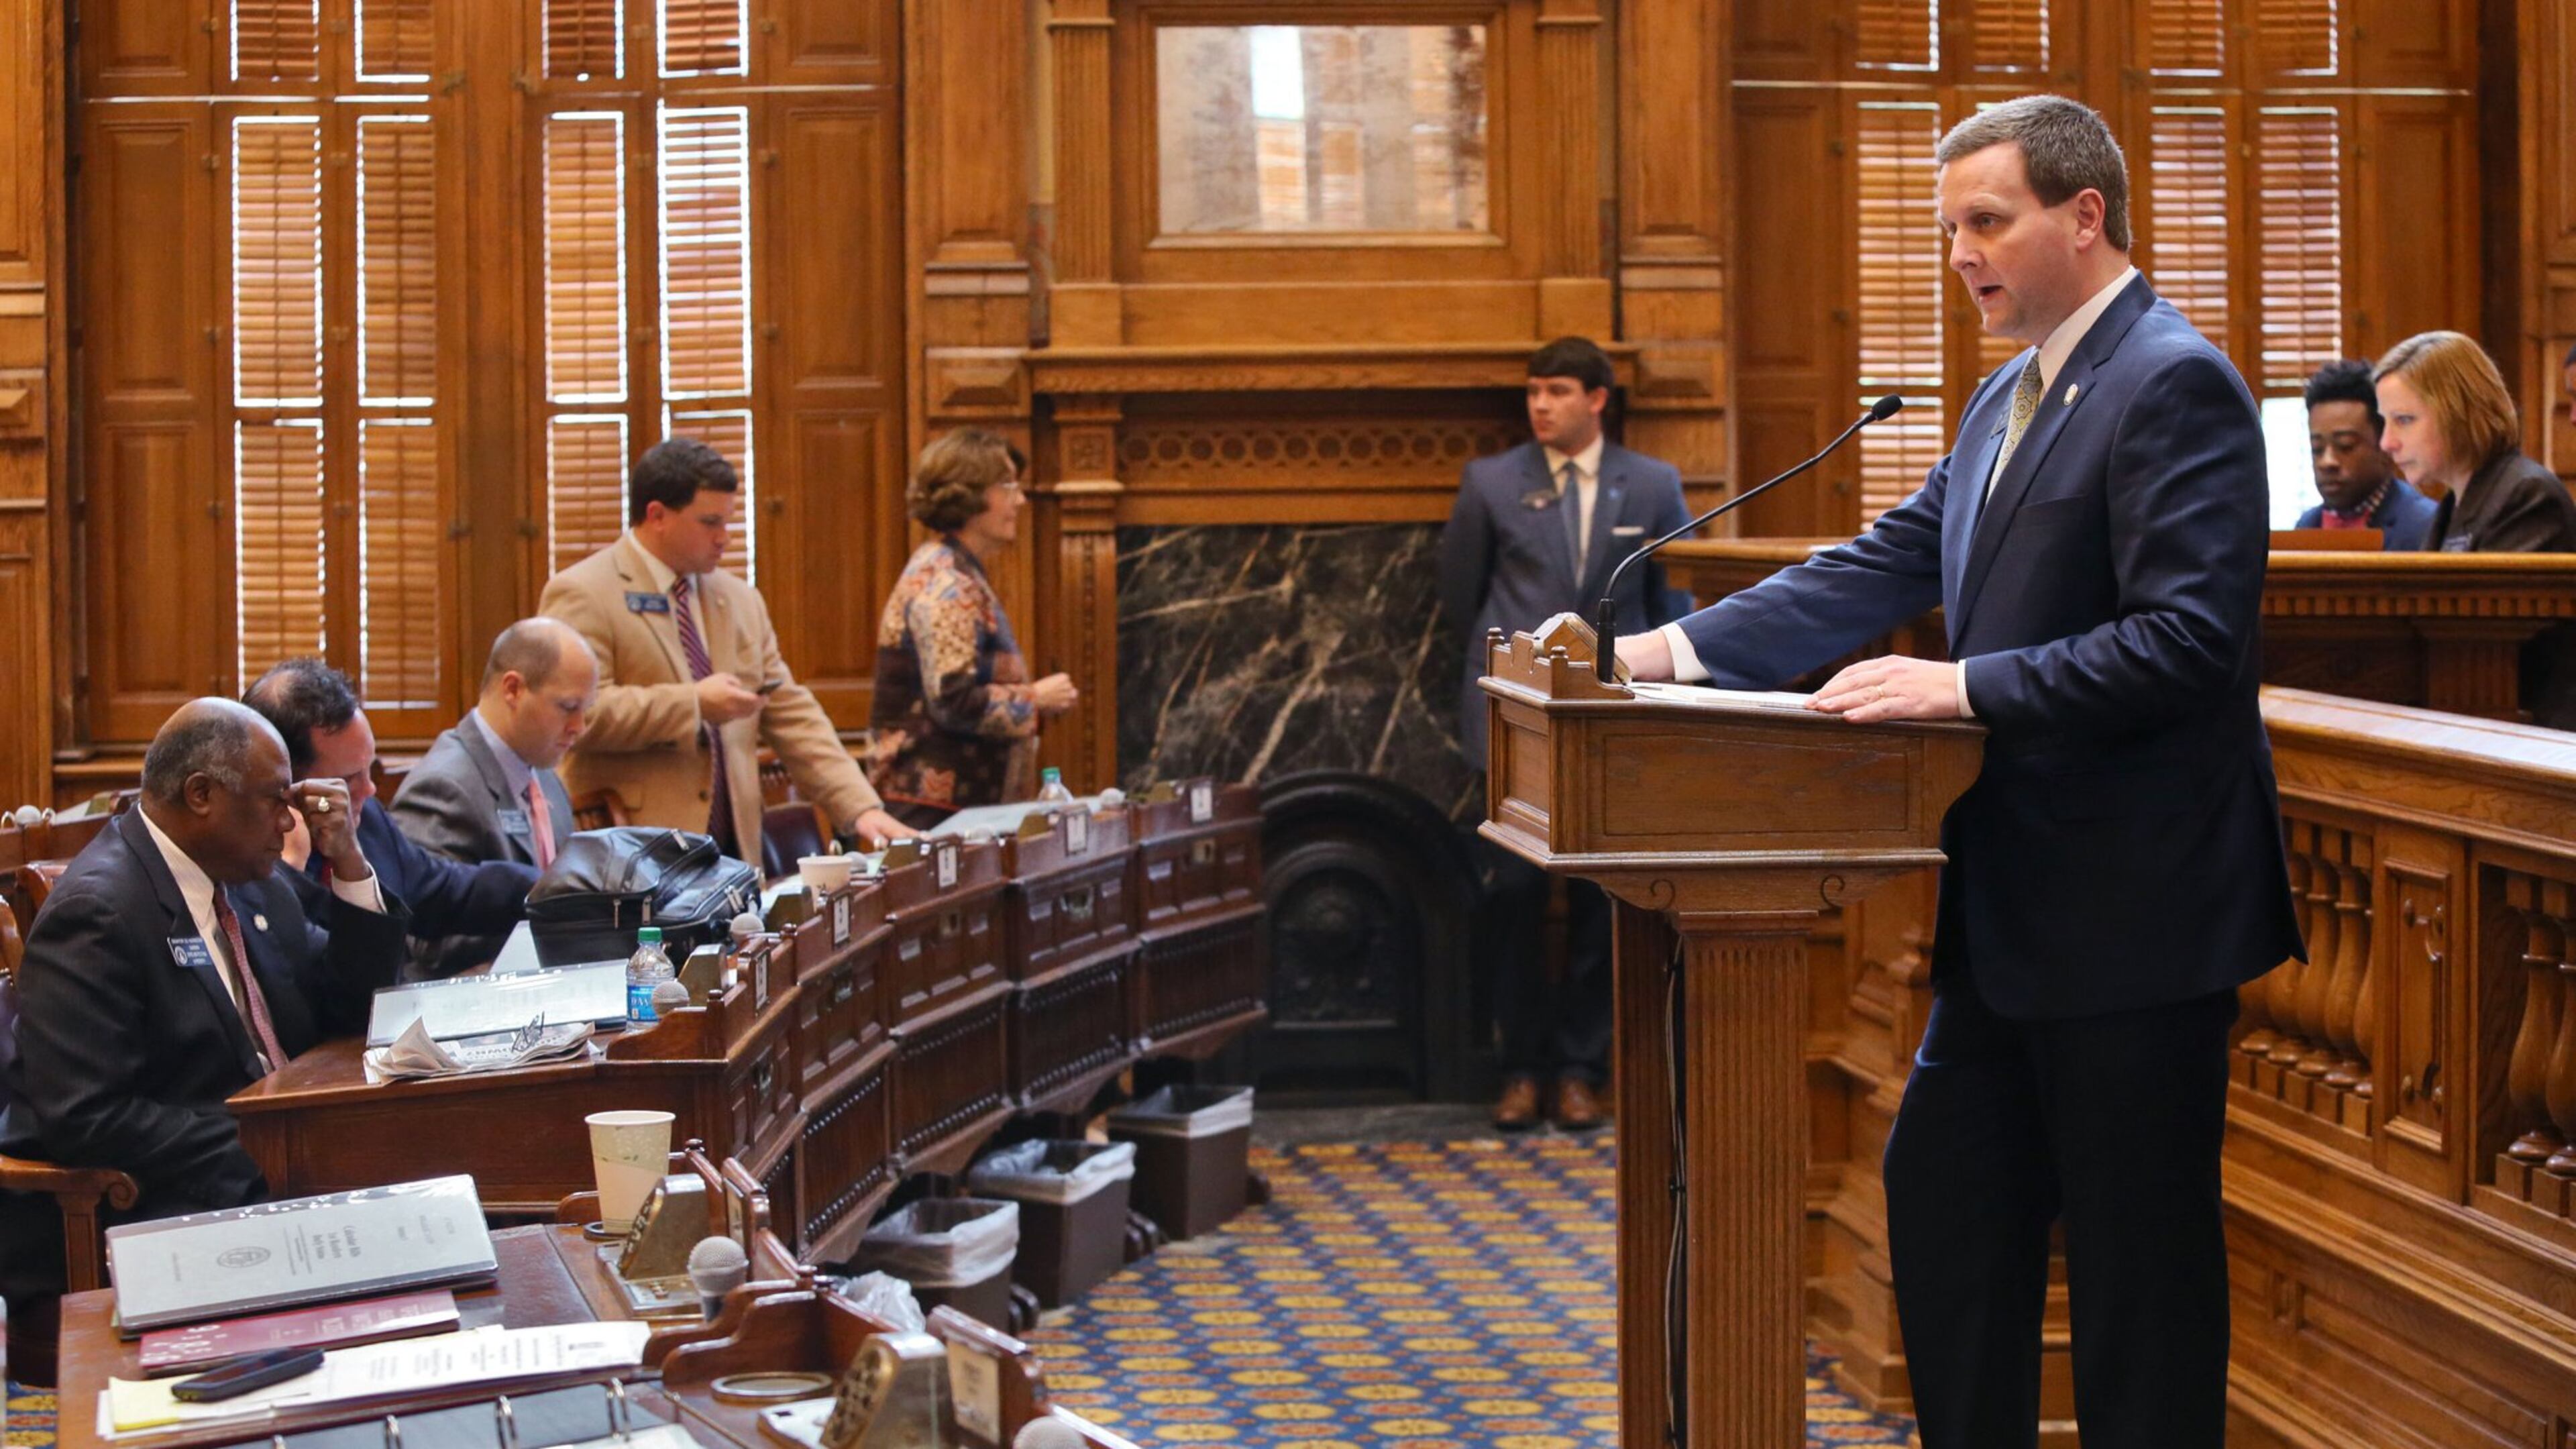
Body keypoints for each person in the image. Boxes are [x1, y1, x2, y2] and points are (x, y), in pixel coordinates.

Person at [1616, 97, 2300, 1448]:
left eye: (1986, 222)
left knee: (2137, 1295)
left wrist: (1965, 685)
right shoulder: (2012, 389)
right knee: (1945, 1232)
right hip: (2008, 922)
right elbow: (1880, 564)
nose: (1960, 254)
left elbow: (2190, 643)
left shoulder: (2174, 381)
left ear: (2083, 215)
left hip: (2138, 921)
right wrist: (1666, 650)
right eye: (1947, 230)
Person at [0, 700, 409, 1304]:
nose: (290, 823)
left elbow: (347, 1006)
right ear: (201, 795)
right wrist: (272, 1143)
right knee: (401, 1236)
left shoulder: (252, 887)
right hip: (156, 1204)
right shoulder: (99, 913)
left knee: (443, 1186)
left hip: (269, 1170)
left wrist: (348, 862)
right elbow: (87, 1118)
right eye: (276, 799)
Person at [1438, 335, 1693, 1132]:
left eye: (1555, 391)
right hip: (1513, 725)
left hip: (1612, 724)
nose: (1540, 406)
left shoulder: (1652, 485)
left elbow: (1675, 598)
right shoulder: (1490, 482)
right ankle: (1521, 1067)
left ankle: (1583, 1068)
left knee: (1596, 901)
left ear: (1597, 400)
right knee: (1512, 896)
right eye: (1532, 392)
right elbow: (1459, 597)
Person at [541, 437, 912, 859]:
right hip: (634, 852)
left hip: (734, 852)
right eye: (710, 522)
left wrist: (859, 808)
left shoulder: (740, 601)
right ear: (657, 516)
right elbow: (578, 715)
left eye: (729, 522)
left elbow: (791, 713)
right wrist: (693, 705)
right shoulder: (583, 592)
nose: (726, 538)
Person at [245, 658, 534, 979]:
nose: (369, 789)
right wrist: (290, 871)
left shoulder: (365, 818)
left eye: (371, 769)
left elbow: (444, 890)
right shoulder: (245, 863)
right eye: (350, 778)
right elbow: (315, 978)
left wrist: (553, 887)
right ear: (284, 782)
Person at [864, 430, 1077, 828]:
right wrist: (1035, 699)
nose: (1021, 499)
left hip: (955, 810)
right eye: (1008, 485)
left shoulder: (956, 572)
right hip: (932, 816)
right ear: (970, 493)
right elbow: (953, 701)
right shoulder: (945, 583)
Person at [388, 619, 596, 976]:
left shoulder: (545, 775)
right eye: (567, 707)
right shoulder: (444, 786)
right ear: (513, 689)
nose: (579, 726)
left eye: (585, 709)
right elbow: (424, 942)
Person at [2373, 330, 2576, 554]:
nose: (2387, 443)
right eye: (2385, 422)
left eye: (2404, 420)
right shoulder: (2452, 506)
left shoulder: (2526, 496)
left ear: (2459, 413)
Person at [2293, 358, 2438, 549]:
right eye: (2317, 449)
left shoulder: (2426, 525)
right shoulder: (2307, 526)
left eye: (2345, 446)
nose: (2327, 462)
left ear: (2384, 446)